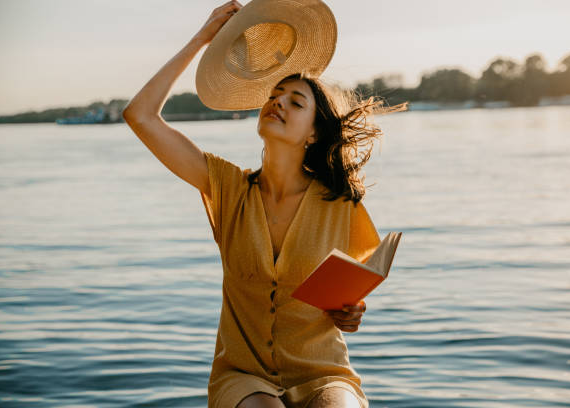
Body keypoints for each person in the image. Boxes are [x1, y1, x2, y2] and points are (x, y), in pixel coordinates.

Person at [123, 1, 407, 407]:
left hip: (324, 372)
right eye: (274, 95)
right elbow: (140, 115)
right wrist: (203, 39)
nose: (278, 102)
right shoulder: (225, 187)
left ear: (313, 132)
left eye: (295, 101)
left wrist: (353, 310)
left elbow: (350, 291)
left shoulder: (339, 203)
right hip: (243, 377)